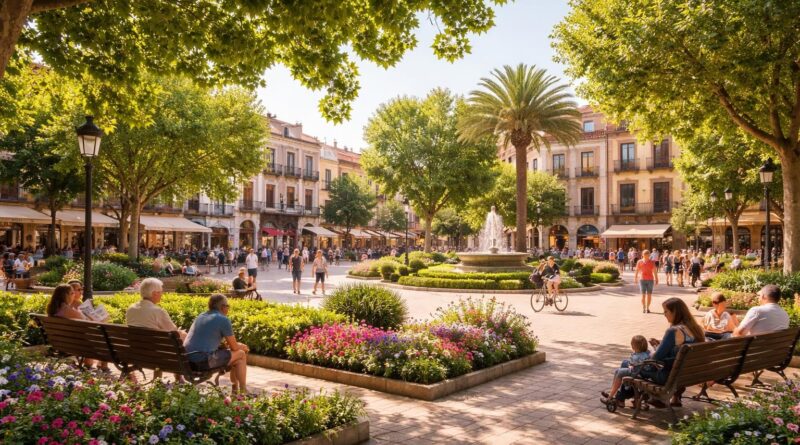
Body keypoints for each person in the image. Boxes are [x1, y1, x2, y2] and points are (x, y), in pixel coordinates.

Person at [614, 298, 705, 408]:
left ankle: (620, 397)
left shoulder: (674, 331)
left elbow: (657, 357)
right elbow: (678, 349)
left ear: (675, 312)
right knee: (633, 366)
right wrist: (662, 344)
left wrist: (656, 347)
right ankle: (631, 397)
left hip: (666, 377)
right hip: (688, 375)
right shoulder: (696, 329)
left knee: (626, 364)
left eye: (666, 311)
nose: (664, 314)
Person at [183, 294, 249, 393]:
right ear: (223, 307)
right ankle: (242, 390)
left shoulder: (201, 316)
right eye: (228, 306)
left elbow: (211, 340)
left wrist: (234, 346)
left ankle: (235, 389)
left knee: (236, 357)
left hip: (187, 361)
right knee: (241, 354)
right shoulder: (223, 319)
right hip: (203, 362)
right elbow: (234, 347)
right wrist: (242, 346)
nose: (228, 309)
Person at [46, 284, 111, 372]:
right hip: (76, 344)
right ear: (65, 295)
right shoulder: (67, 310)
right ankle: (102, 365)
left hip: (61, 342)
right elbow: (88, 324)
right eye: (72, 293)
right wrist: (102, 319)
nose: (74, 295)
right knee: (104, 337)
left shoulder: (53, 309)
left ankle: (92, 364)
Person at [600, 335, 651, 407]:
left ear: (633, 346)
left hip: (637, 373)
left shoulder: (636, 356)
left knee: (620, 372)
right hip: (643, 372)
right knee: (619, 369)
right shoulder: (647, 353)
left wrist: (631, 364)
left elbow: (632, 364)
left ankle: (611, 396)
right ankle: (614, 392)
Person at [634, 249, 658, 313]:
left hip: (650, 280)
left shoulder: (652, 262)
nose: (646, 256)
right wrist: (635, 278)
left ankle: (647, 308)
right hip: (642, 280)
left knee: (649, 295)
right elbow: (637, 270)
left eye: (647, 254)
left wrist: (656, 279)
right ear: (642, 255)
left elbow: (654, 271)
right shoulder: (639, 262)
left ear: (649, 255)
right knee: (643, 295)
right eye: (645, 254)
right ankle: (644, 307)